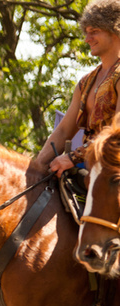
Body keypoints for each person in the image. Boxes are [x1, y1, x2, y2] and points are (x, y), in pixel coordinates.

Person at [34, 0, 120, 176]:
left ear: (116, 30)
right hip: (89, 170)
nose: (87, 39)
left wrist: (73, 157)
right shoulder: (85, 82)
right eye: (86, 32)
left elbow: (117, 132)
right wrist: (34, 169)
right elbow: (65, 130)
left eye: (94, 32)